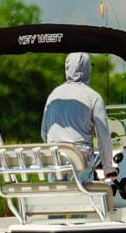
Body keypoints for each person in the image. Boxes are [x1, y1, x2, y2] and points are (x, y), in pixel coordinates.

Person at [40, 52, 117, 180]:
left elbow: (44, 132)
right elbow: (103, 138)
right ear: (87, 69)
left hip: (55, 162)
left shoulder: (53, 95)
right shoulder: (94, 97)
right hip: (80, 164)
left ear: (67, 68)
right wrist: (108, 168)